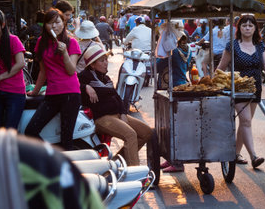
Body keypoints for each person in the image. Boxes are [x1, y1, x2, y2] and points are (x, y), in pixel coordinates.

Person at [78, 45, 153, 166]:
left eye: (106, 60)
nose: (105, 63)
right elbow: (71, 83)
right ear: (92, 65)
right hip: (102, 119)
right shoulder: (84, 77)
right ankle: (135, 173)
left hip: (117, 115)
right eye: (102, 61)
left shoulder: (106, 78)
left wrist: (123, 113)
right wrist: (85, 87)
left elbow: (117, 97)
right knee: (130, 135)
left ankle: (116, 162)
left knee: (146, 132)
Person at [217, 14, 265, 169]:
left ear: (255, 28)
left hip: (255, 89)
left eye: (250, 25)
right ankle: (254, 156)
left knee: (245, 122)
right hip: (238, 88)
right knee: (245, 121)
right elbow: (221, 67)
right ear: (239, 28)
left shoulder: (260, 46)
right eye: (244, 25)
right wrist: (214, 83)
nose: (247, 28)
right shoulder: (232, 46)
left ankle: (235, 153)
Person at [25, 9, 81, 151]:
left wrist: (65, 54)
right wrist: (35, 91)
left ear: (64, 23)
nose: (54, 26)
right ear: (45, 26)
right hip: (51, 94)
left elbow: (71, 70)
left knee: (66, 139)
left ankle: (66, 170)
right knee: (30, 131)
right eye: (49, 23)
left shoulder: (71, 43)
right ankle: (51, 157)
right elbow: (43, 71)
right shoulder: (41, 42)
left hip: (71, 94)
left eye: (57, 22)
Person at [157, 32, 192, 172]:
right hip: (183, 85)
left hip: (172, 88)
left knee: (173, 126)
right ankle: (172, 158)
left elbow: (158, 66)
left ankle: (177, 162)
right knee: (178, 125)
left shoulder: (172, 52)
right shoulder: (187, 49)